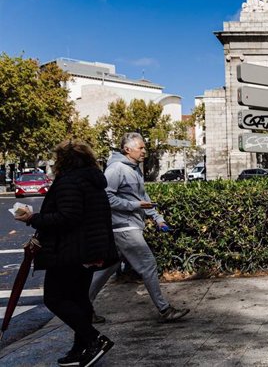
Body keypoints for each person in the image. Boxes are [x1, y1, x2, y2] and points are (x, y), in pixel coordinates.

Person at [14, 139, 118, 366]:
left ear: (63, 161)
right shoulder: (92, 181)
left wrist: (32, 218)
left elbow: (67, 217)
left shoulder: (69, 182)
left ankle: (94, 340)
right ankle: (80, 349)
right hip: (90, 249)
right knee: (79, 299)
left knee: (54, 298)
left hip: (70, 251)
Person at [89, 132, 189, 323]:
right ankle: (164, 310)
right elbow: (105, 198)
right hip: (124, 227)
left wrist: (157, 218)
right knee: (148, 265)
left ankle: (83, 307)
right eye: (141, 148)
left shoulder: (134, 168)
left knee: (109, 268)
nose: (144, 151)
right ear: (128, 149)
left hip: (129, 226)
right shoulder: (116, 169)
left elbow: (142, 197)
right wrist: (134, 207)